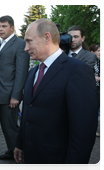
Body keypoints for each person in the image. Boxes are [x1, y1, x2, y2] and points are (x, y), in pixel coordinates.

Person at [14, 18, 98, 170]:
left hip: (57, 161)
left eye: (29, 41)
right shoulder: (33, 72)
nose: (25, 48)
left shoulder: (77, 70)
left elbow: (83, 130)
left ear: (47, 37)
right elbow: (27, 111)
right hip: (31, 158)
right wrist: (20, 144)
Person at [0, 15, 30, 170]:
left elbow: (21, 73)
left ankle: (22, 160)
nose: (0, 29)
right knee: (5, 127)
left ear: (12, 27)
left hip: (10, 95)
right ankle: (11, 151)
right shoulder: (0, 45)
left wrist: (16, 96)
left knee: (12, 127)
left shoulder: (20, 44)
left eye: (4, 26)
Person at [90, 44, 102, 137]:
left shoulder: (100, 62)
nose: (100, 53)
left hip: (98, 89)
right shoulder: (89, 62)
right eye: (98, 51)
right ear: (92, 52)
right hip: (90, 89)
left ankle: (95, 128)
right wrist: (96, 78)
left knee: (97, 110)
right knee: (91, 110)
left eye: (100, 51)